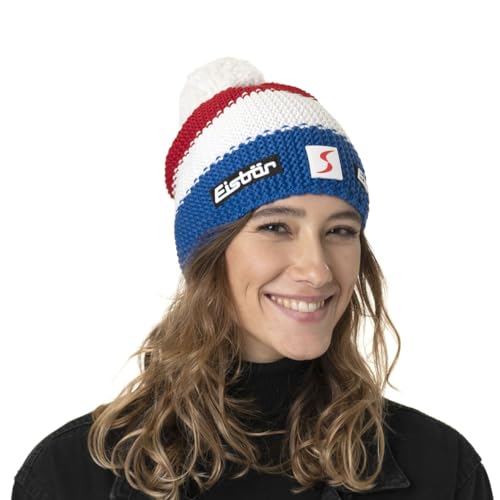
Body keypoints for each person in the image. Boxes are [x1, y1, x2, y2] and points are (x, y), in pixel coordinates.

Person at [11, 57, 493, 500]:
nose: (317, 269)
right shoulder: (72, 476)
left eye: (340, 231)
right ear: (208, 252)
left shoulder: (439, 468)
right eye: (276, 227)